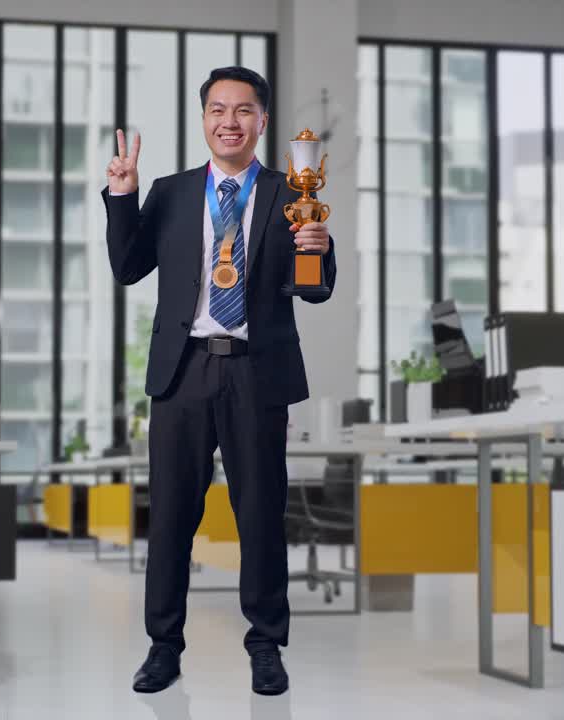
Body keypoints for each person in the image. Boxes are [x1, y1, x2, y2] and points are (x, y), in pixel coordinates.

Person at [102, 65, 336, 697]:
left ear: (262, 122)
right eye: (217, 110)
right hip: (182, 372)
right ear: (204, 119)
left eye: (242, 111)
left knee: (260, 515)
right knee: (174, 515)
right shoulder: (172, 193)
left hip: (256, 373)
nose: (228, 122)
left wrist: (318, 242)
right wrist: (123, 196)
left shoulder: (294, 193)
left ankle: (265, 646)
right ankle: (163, 646)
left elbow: (313, 290)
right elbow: (127, 267)